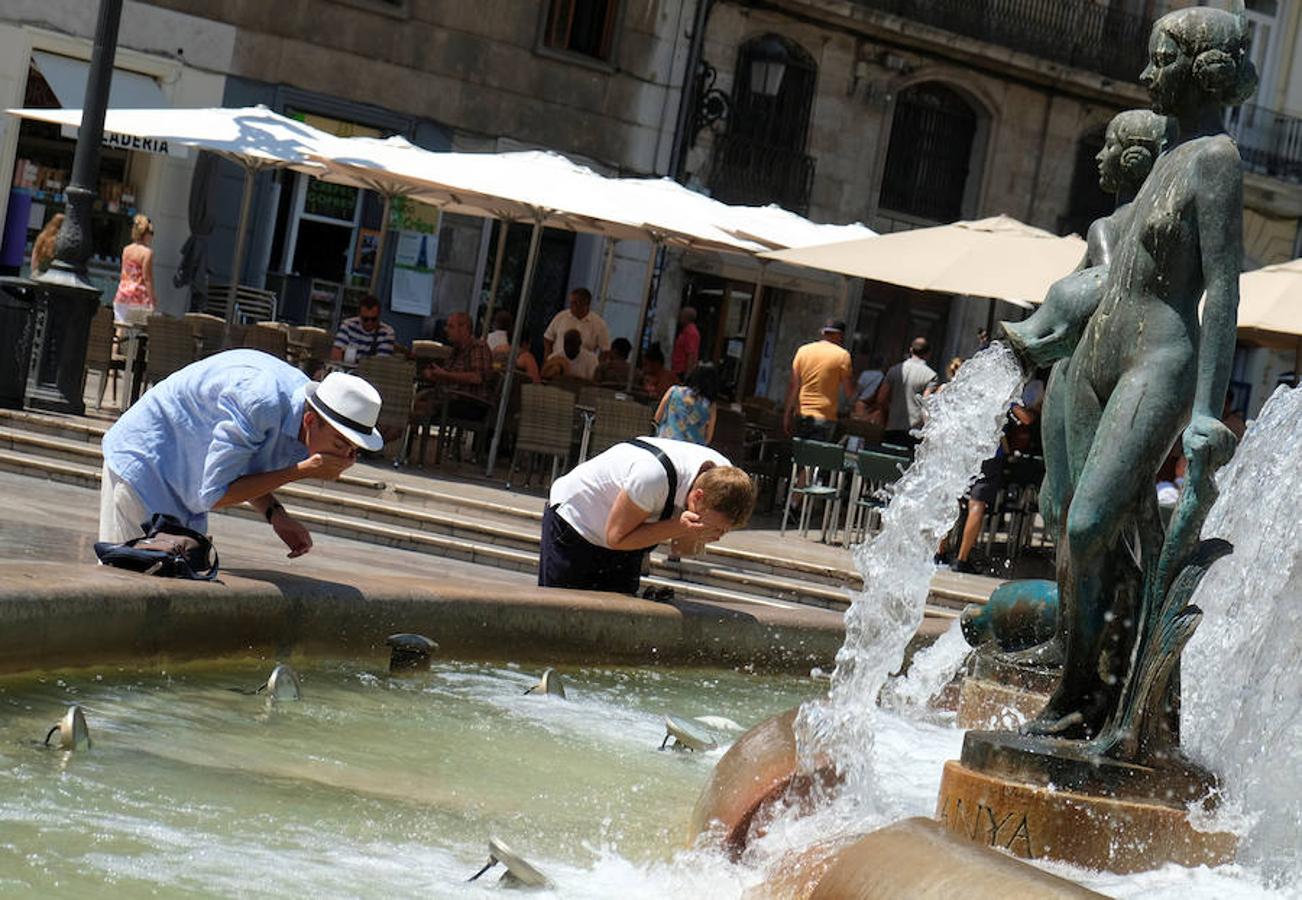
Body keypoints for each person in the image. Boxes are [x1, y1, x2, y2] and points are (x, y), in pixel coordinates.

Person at [98, 349, 383, 556]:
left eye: (353, 451)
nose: (343, 458)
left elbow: (241, 469)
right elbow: (215, 494)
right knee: (127, 583)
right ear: (310, 421)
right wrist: (303, 471)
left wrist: (275, 514)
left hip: (185, 479)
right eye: (338, 444)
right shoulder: (261, 402)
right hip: (146, 464)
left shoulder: (306, 421)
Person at [538, 436, 756, 595]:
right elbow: (616, 537)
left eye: (723, 531)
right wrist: (681, 526)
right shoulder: (651, 477)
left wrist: (692, 530)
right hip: (576, 522)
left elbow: (682, 549)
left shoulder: (726, 479)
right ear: (698, 498)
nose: (717, 536)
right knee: (560, 619)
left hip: (628, 537)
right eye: (716, 528)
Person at [783, 319, 853, 441]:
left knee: (799, 456)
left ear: (823, 333)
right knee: (817, 458)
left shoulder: (803, 351)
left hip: (802, 415)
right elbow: (848, 392)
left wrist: (787, 414)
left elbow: (794, 385)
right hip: (825, 418)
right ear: (840, 335)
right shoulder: (843, 356)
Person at [419, 311, 493, 418]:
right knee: (412, 403)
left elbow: (476, 377)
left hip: (469, 404)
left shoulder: (477, 346)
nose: (446, 330)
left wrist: (444, 375)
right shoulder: (456, 350)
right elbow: (448, 376)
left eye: (450, 326)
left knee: (419, 407)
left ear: (464, 329)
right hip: (451, 399)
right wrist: (434, 375)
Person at [875, 337, 938, 448]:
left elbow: (881, 398)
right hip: (914, 432)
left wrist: (887, 416)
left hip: (892, 428)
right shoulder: (931, 375)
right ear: (928, 353)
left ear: (911, 350)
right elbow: (926, 405)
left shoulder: (894, 370)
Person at [655, 363, 719, 445]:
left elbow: (657, 417)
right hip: (692, 449)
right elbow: (708, 437)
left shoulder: (673, 391)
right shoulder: (710, 405)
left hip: (665, 443)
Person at [113, 214, 156, 326]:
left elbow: (124, 273)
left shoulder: (126, 250)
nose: (151, 237)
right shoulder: (147, 253)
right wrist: (152, 300)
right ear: (145, 234)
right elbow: (147, 278)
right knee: (134, 336)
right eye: (151, 233)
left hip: (122, 294)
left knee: (119, 331)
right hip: (138, 298)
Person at [543, 287, 610, 359]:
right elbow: (548, 338)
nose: (571, 305)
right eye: (571, 302)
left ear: (586, 304)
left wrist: (597, 367)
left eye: (575, 303)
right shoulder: (561, 316)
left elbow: (605, 350)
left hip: (583, 366)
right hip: (559, 363)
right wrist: (547, 359)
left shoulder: (599, 324)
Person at [331, 294, 396, 362]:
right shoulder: (348, 325)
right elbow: (336, 355)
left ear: (379, 316)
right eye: (365, 319)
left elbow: (380, 363)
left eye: (373, 319)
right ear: (359, 315)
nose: (369, 322)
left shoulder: (387, 333)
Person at [671, 306, 701, 378]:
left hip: (682, 371)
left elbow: (691, 354)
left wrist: (687, 375)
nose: (679, 317)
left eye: (681, 315)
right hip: (677, 369)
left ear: (686, 317)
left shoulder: (690, 333)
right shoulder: (685, 331)